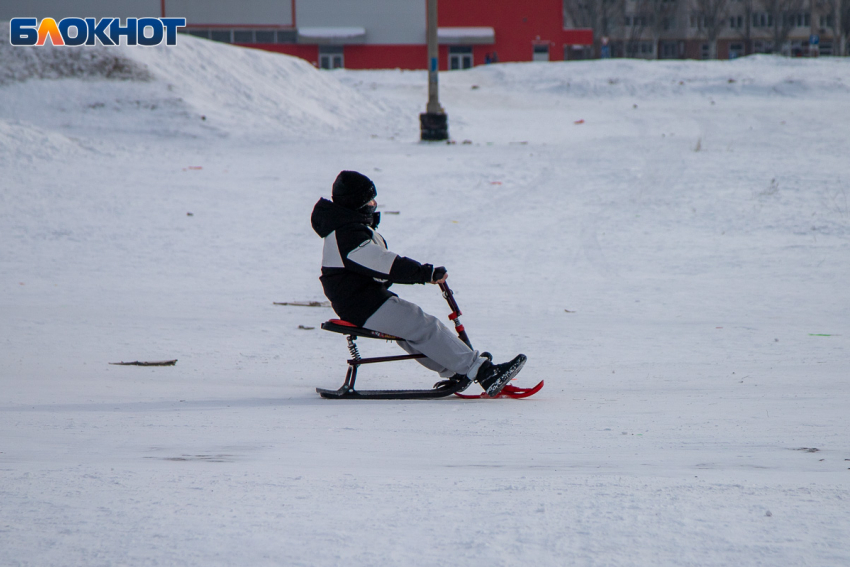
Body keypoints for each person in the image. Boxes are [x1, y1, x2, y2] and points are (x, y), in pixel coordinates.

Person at [310, 170, 526, 397]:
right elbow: (384, 264)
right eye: (369, 200)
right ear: (356, 203)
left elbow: (379, 270)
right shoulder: (347, 235)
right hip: (363, 304)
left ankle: (458, 368)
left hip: (365, 300)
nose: (374, 204)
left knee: (416, 330)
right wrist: (425, 273)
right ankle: (484, 373)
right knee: (423, 325)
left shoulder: (347, 230)